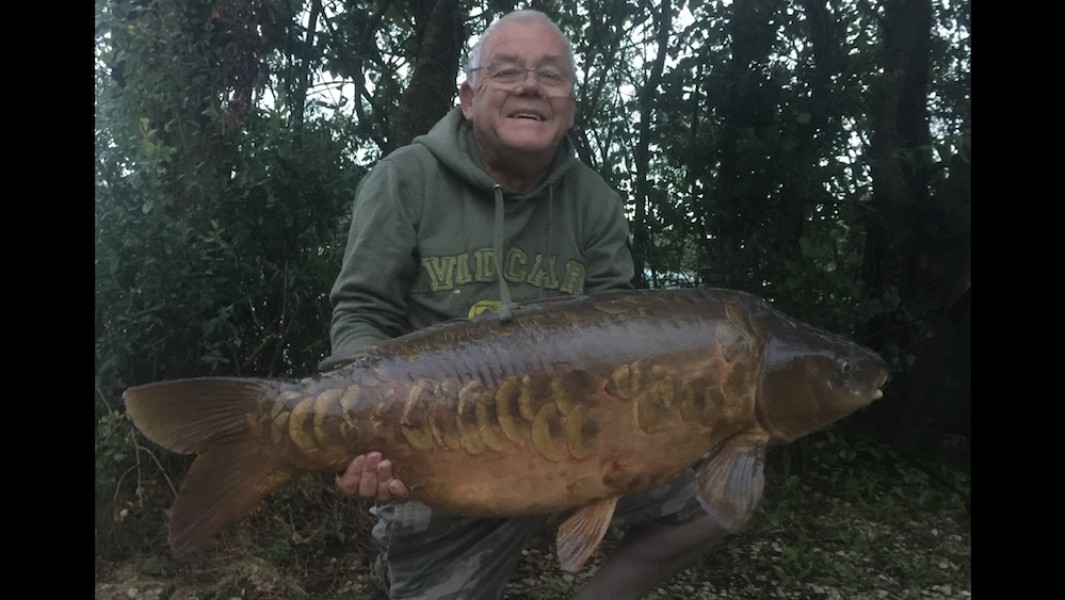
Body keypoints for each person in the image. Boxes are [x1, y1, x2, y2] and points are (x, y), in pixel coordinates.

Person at [323, 10, 729, 599]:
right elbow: (362, 310)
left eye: (551, 75)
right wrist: (357, 421)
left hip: (576, 443)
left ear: (569, 105)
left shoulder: (594, 203)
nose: (531, 86)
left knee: (718, 500)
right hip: (443, 451)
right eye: (507, 71)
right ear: (468, 96)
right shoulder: (405, 179)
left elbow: (623, 342)